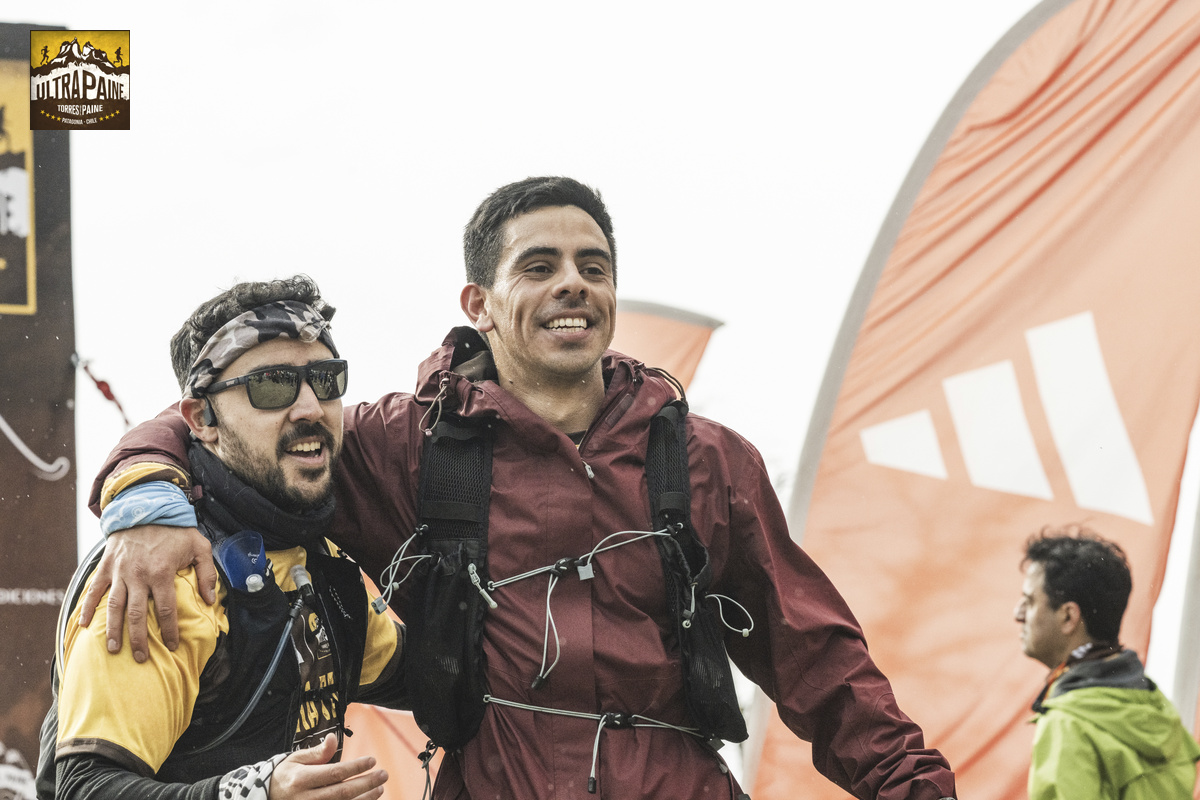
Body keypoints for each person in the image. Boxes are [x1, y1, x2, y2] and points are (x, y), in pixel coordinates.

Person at [82, 178, 957, 799]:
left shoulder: (707, 460)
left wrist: (913, 788)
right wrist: (146, 500)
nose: (572, 282)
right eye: (538, 266)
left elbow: (817, 658)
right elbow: (240, 428)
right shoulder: (401, 448)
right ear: (479, 303)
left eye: (593, 266)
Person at [45, 278, 408, 800]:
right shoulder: (161, 577)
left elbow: (423, 679)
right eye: (272, 385)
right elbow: (83, 787)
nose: (311, 408)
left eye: (326, 379)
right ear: (202, 419)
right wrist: (256, 791)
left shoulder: (321, 557)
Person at [1014, 526, 1200, 799]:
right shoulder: (1157, 707)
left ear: (1068, 617)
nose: (1018, 613)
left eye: (1030, 601)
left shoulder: (1067, 723)